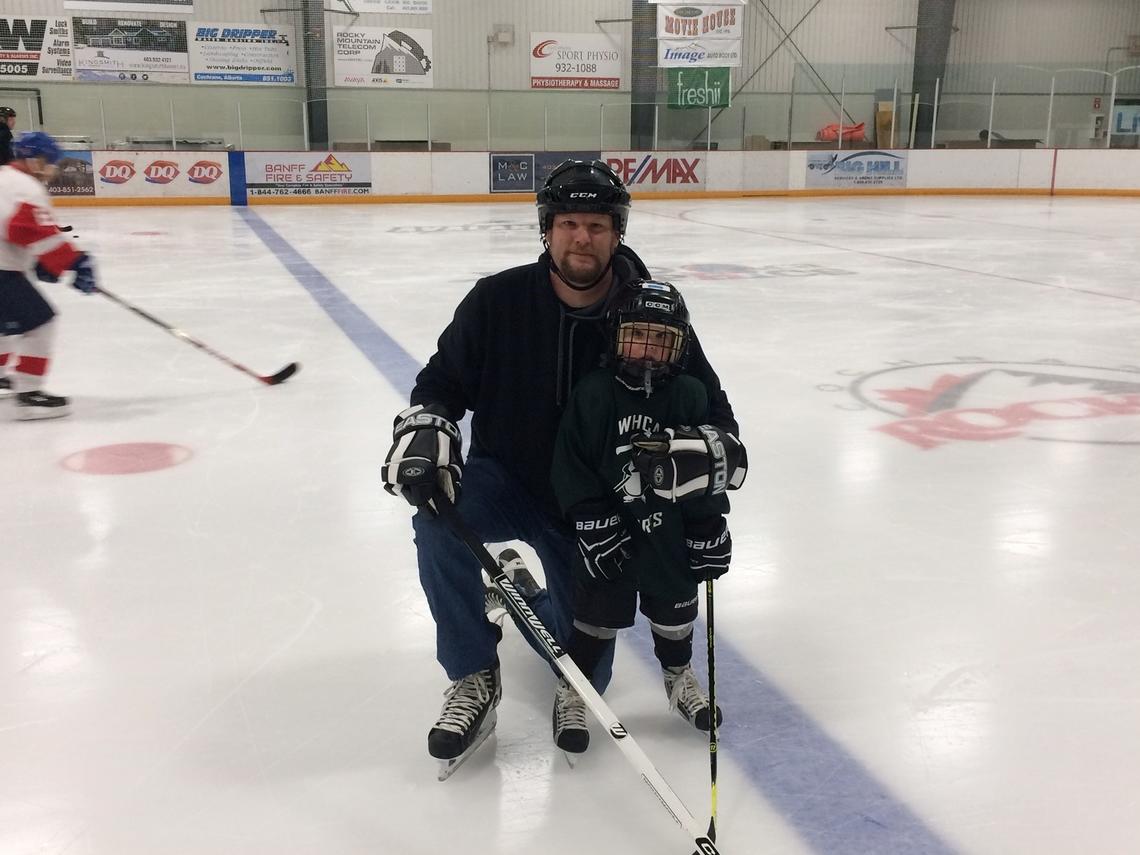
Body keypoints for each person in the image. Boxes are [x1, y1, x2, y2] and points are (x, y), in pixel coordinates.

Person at [381, 159, 746, 775]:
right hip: (506, 478)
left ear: (618, 232)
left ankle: (520, 592)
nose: (582, 238)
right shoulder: (497, 300)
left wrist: (706, 482)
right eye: (569, 223)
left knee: (582, 665)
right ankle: (473, 675)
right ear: (547, 230)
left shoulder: (648, 319)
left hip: (596, 507)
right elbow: (439, 382)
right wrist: (427, 430)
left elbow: (713, 412)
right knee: (439, 522)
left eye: (597, 225)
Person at [549, 278, 732, 755]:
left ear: (680, 346)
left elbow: (706, 469)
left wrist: (709, 525)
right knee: (594, 621)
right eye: (638, 334)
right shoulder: (594, 394)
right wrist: (590, 519)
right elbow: (571, 462)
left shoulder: (690, 395)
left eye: (661, 339)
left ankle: (678, 677)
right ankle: (575, 689)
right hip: (610, 533)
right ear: (616, 335)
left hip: (667, 536)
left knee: (675, 616)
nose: (648, 350)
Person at [0, 131, 98, 418]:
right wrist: (75, 262)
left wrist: (41, 263)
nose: (52, 170)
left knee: (4, 325)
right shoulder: (26, 186)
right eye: (50, 162)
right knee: (40, 322)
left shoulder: (4, 177)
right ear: (37, 160)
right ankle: (29, 393)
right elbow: (26, 229)